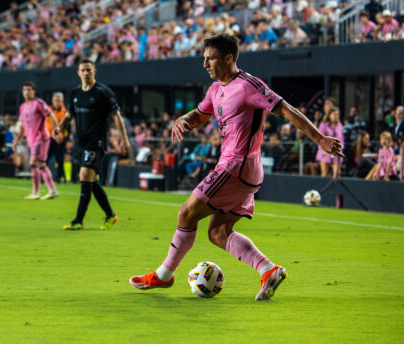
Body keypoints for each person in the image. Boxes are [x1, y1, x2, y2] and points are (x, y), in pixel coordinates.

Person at [129, 33, 343, 301]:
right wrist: (183, 119)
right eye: (204, 59)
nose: (205, 64)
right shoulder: (216, 88)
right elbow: (200, 114)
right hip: (241, 170)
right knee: (218, 233)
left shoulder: (248, 85)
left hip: (236, 166)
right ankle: (269, 270)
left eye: (211, 59)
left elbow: (286, 109)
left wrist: (320, 138)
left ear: (228, 58)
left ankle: (163, 275)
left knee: (186, 215)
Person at [53, 59, 130, 230]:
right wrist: (59, 128)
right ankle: (110, 216)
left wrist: (124, 139)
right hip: (82, 142)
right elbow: (69, 115)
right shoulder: (75, 93)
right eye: (83, 70)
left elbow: (116, 116)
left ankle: (78, 220)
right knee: (92, 181)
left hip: (97, 142)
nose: (86, 73)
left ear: (94, 72)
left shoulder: (103, 92)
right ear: (78, 73)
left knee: (84, 175)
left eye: (89, 70)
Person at [14, 82, 59, 200]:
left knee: (34, 162)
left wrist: (56, 130)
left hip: (41, 137)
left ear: (34, 91)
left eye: (29, 90)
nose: (27, 92)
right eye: (25, 90)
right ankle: (37, 192)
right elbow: (23, 126)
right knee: (37, 165)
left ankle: (50, 190)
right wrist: (17, 140)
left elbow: (51, 115)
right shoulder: (22, 107)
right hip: (31, 139)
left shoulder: (38, 103)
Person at [46, 92, 69, 183]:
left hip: (60, 139)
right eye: (55, 100)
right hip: (48, 138)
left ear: (62, 101)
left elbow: (68, 126)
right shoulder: (48, 110)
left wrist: (66, 139)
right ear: (52, 101)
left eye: (59, 101)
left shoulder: (66, 112)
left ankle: (59, 177)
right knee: (45, 158)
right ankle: (45, 177)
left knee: (59, 159)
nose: (57, 102)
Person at [316, 108, 344, 179]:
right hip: (325, 152)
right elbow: (320, 138)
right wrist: (323, 149)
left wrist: (341, 147)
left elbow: (342, 139)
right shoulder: (323, 124)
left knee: (337, 173)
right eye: (335, 114)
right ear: (329, 115)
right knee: (324, 173)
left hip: (336, 152)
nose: (336, 116)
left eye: (337, 115)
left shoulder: (340, 125)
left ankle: (335, 188)